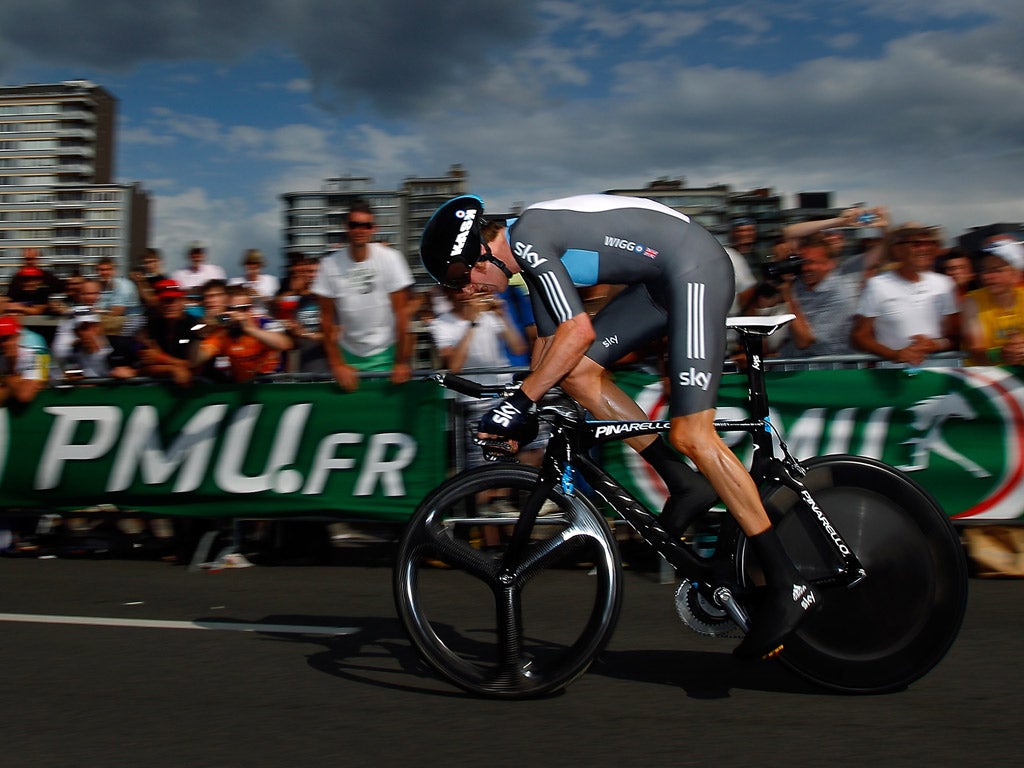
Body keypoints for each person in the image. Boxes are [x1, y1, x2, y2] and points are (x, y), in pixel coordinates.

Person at [419, 194, 819, 660]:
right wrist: (522, 405)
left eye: (454, 277)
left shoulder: (527, 236)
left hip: (694, 268)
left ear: (480, 251)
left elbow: (578, 332)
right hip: (662, 281)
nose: (462, 291)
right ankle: (683, 482)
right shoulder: (528, 266)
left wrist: (522, 401)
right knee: (580, 375)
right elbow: (551, 348)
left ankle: (788, 581)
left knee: (693, 432)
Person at [313, 200, 414, 391]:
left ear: (373, 229)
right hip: (348, 355)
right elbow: (325, 320)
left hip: (387, 352)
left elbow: (402, 314)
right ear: (346, 228)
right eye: (354, 225)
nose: (360, 230)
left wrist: (402, 361)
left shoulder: (391, 258)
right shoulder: (329, 264)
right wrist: (337, 365)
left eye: (365, 225)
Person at [850, 225, 959, 366]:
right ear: (897, 250)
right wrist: (894, 355)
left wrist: (936, 344)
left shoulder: (945, 283)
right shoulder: (877, 285)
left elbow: (956, 336)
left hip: (939, 375)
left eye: (930, 243)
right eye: (917, 244)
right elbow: (860, 336)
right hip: (894, 376)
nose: (925, 249)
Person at [775, 233, 860, 358]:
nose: (805, 268)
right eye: (802, 262)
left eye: (811, 262)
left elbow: (804, 341)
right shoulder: (798, 284)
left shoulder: (842, 294)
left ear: (830, 263)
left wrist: (787, 295)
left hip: (825, 371)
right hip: (789, 366)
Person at [192, 284, 292, 383]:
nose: (238, 314)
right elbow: (195, 361)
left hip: (272, 385)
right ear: (225, 310)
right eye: (232, 309)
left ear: (251, 308)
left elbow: (285, 344)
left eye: (243, 309)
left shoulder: (264, 322)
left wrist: (251, 330)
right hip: (243, 387)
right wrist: (202, 333)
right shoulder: (222, 332)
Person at [962, 235, 1024, 366]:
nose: (988, 276)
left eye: (997, 270)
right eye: (984, 270)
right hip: (986, 379)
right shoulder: (972, 301)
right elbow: (976, 350)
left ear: (1016, 274)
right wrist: (1002, 354)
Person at [135, 280, 201, 386]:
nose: (169, 305)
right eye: (165, 301)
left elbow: (194, 365)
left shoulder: (195, 325)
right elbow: (147, 366)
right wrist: (172, 368)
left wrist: (160, 357)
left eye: (173, 300)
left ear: (182, 301)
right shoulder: (151, 325)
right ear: (158, 303)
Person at [273, 255, 325, 373]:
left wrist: (305, 334)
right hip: (304, 366)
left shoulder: (330, 300)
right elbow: (295, 338)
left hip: (328, 367)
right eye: (307, 272)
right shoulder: (301, 301)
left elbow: (334, 336)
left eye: (315, 271)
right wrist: (292, 331)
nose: (311, 275)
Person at [0, 314, 45, 405]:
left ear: (18, 337)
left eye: (8, 338)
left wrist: (6, 381)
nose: (4, 344)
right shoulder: (1, 359)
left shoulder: (38, 356)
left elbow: (24, 395)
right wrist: (16, 381)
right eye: (1, 340)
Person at [5, 247, 64, 315]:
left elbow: (63, 291)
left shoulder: (48, 277)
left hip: (45, 318)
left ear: (38, 259)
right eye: (27, 259)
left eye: (32, 259)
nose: (29, 262)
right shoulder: (16, 278)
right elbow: (10, 299)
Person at [229, 249, 279, 315]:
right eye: (249, 263)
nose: (252, 266)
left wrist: (260, 295)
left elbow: (276, 304)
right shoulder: (234, 282)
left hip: (265, 317)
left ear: (260, 264)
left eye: (255, 263)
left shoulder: (271, 280)